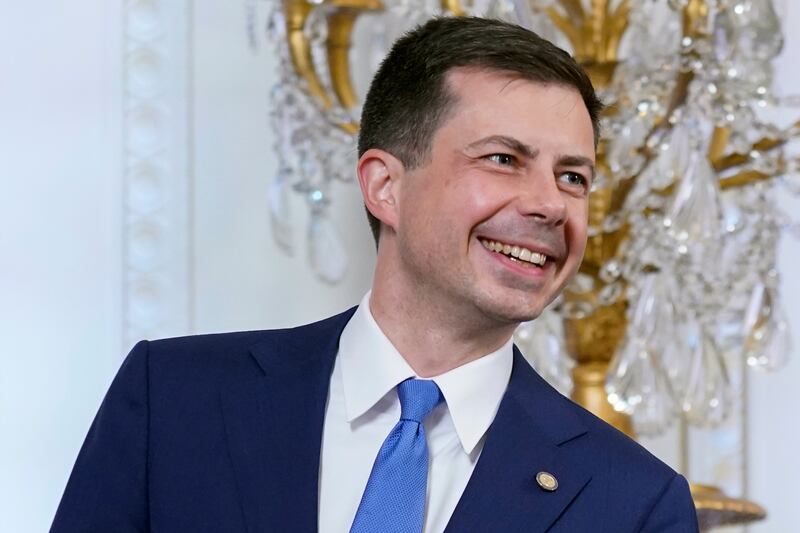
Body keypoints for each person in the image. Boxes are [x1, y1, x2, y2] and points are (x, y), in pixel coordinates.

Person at [52, 16, 699, 533]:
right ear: (385, 186)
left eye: (573, 177)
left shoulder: (634, 504)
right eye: (504, 159)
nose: (551, 204)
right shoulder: (173, 400)